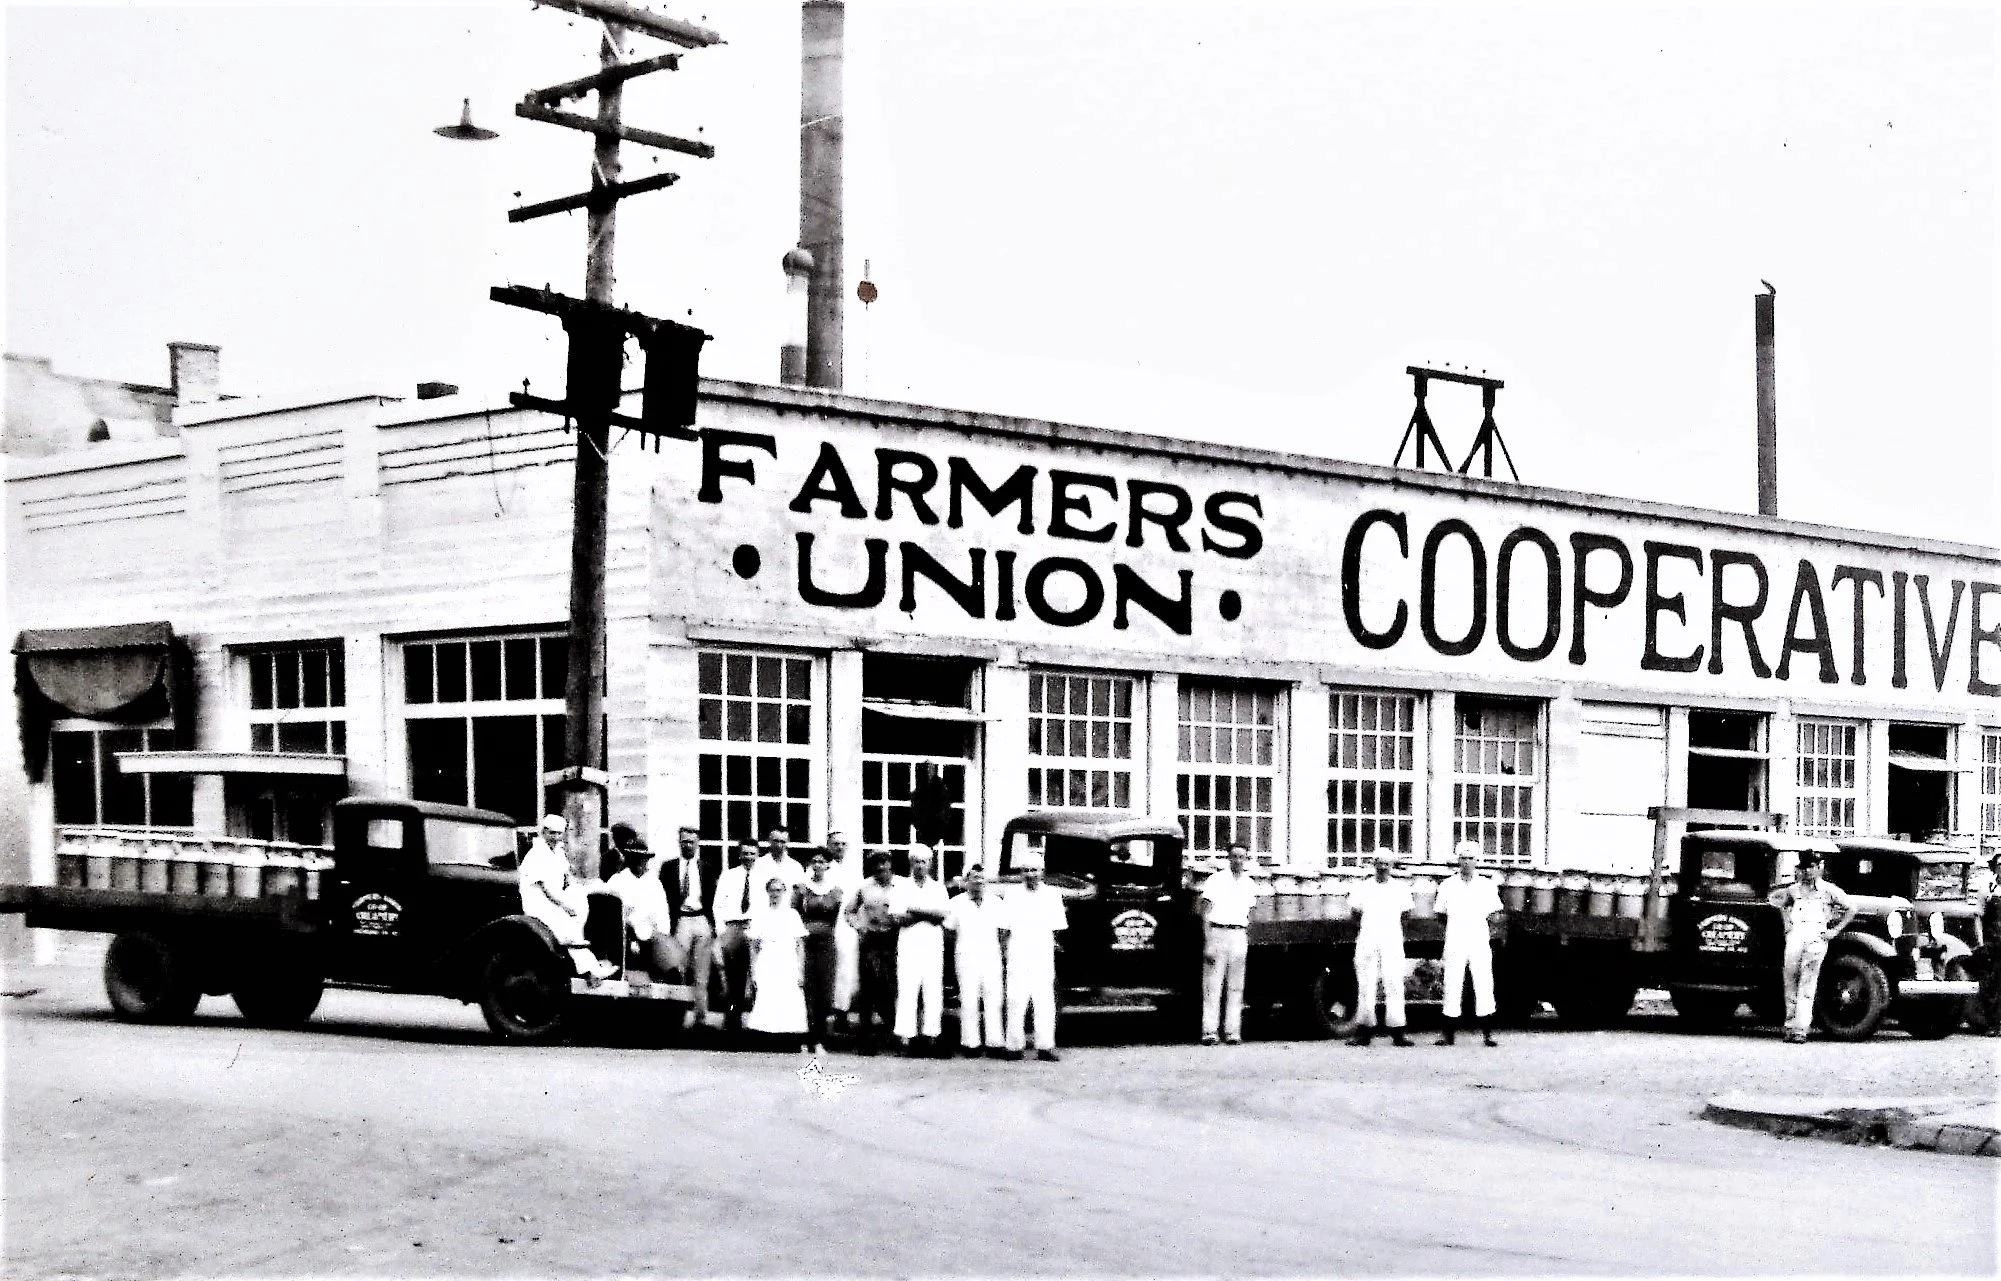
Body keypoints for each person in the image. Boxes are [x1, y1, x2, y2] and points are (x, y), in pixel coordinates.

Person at [1766, 848, 1857, 1044]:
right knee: (1790, 978)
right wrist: (1787, 924)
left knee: (1808, 982)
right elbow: (1782, 903)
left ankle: (1801, 1028)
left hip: (1816, 935)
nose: (1807, 872)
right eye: (1803, 868)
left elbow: (1851, 908)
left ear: (1819, 868)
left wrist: (1835, 930)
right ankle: (1790, 1025)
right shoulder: (1794, 890)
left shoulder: (1828, 890)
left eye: (1811, 868)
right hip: (1796, 934)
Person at [517, 813, 615, 980]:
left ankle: (592, 965)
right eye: (551, 833)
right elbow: (545, 889)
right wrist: (564, 905)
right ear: (543, 832)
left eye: (559, 833)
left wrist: (580, 892)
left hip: (555, 900)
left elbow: (567, 877)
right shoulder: (536, 854)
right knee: (565, 926)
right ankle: (588, 971)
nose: (555, 837)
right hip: (538, 902)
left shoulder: (558, 853)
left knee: (579, 909)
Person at [1433, 840, 1504, 1046]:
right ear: (1458, 861)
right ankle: (1448, 1034)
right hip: (1455, 937)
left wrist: (1478, 926)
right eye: (1463, 858)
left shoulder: (1486, 885)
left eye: (1470, 858)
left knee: (1483, 982)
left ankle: (1488, 1034)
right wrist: (1455, 926)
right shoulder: (1447, 885)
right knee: (1452, 983)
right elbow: (1441, 914)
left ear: (1477, 861)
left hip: (1478, 937)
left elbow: (1494, 913)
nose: (1466, 862)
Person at [1002, 846, 1067, 1061]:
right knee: (1015, 999)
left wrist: (1051, 947)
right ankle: (1013, 1045)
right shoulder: (1011, 895)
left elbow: (1058, 927)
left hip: (1041, 953)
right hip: (1018, 952)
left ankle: (1045, 1046)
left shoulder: (1052, 894)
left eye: (1035, 870)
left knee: (1044, 1000)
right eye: (1027, 870)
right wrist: (1004, 951)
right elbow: (1004, 927)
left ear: (1042, 872)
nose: (1031, 874)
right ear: (1021, 873)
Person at [1347, 855, 1414, 1047]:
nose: (1383, 867)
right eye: (1380, 863)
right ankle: (1364, 1031)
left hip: (1391, 939)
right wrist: (1367, 930)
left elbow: (1406, 915)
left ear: (1392, 866)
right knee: (1366, 985)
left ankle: (1398, 1031)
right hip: (1368, 938)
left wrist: (1394, 933)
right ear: (1374, 865)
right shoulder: (1363, 887)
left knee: (1394, 983)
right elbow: (1355, 914)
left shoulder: (1400, 889)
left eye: (1386, 864)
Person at [892, 844, 951, 1055]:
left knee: (933, 991)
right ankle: (905, 1038)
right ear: (910, 863)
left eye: (924, 861)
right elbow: (899, 918)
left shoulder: (938, 888)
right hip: (909, 945)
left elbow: (942, 916)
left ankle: (931, 1036)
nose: (920, 865)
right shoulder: (901, 887)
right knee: (907, 989)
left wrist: (915, 910)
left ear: (930, 864)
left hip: (932, 946)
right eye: (916, 861)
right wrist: (929, 914)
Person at [1198, 843, 1258, 1046]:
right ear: (1228, 858)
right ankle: (1210, 1031)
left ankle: (1232, 1032)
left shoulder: (1250, 884)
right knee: (1213, 986)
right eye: (1234, 856)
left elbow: (1250, 912)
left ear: (1246, 860)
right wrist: (1208, 942)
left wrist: (1244, 935)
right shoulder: (1215, 880)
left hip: (1238, 934)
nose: (1238, 861)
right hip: (1217, 932)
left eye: (1242, 857)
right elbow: (1205, 912)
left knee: (1236, 987)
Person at [844, 850, 902, 1054]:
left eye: (884, 864)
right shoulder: (864, 887)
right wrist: (859, 926)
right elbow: (848, 911)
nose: (881, 869)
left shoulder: (902, 885)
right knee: (867, 989)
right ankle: (866, 1040)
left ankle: (893, 1036)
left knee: (890, 988)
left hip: (894, 940)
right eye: (876, 865)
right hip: (870, 940)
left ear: (890, 865)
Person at [945, 863, 1007, 1057]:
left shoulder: (996, 902)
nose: (978, 882)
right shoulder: (956, 903)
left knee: (993, 999)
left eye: (981, 879)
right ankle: (971, 1044)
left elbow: (1004, 930)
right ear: (966, 881)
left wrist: (1000, 951)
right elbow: (949, 930)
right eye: (974, 878)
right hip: (966, 955)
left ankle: (994, 1042)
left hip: (991, 954)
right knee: (969, 999)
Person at [745, 875, 809, 1050]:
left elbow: (799, 945)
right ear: (767, 892)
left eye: (779, 890)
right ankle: (767, 1040)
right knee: (768, 998)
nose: (775, 894)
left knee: (788, 1000)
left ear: (784, 892)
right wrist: (753, 971)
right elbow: (753, 945)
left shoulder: (792, 914)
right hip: (767, 959)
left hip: (788, 960)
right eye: (772, 890)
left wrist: (800, 971)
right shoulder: (760, 914)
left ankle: (789, 1041)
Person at [603, 828, 674, 981]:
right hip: (624, 936)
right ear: (629, 859)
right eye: (635, 858)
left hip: (650, 937)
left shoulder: (654, 883)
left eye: (643, 858)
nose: (640, 863)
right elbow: (610, 912)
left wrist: (659, 937)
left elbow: (662, 915)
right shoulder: (617, 880)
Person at [794, 848, 846, 1054]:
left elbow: (834, 920)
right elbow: (795, 915)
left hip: (826, 945)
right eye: (814, 861)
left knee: (825, 992)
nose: (818, 865)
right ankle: (805, 1039)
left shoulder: (835, 891)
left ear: (827, 865)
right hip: (805, 945)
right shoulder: (801, 889)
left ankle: (820, 1040)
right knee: (808, 992)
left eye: (822, 862)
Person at [664, 825, 715, 1030]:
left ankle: (700, 1019)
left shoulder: (707, 867)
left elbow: (713, 898)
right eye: (684, 841)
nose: (688, 845)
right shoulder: (669, 868)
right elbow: (665, 899)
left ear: (697, 844)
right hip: (681, 921)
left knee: (701, 973)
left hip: (701, 919)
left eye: (691, 842)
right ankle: (677, 1018)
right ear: (679, 842)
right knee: (679, 970)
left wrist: (712, 925)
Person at [714, 839, 763, 1031]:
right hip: (733, 928)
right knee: (734, 976)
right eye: (745, 853)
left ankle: (759, 1023)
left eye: (752, 853)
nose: (749, 857)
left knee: (757, 975)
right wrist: (722, 932)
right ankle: (733, 1021)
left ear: (757, 855)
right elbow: (717, 905)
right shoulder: (729, 876)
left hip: (755, 928)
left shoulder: (764, 877)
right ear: (739, 854)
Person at [825, 830, 862, 1029]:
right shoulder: (822, 868)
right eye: (835, 844)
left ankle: (842, 1013)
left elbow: (859, 900)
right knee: (827, 971)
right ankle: (823, 1014)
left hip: (847, 927)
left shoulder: (853, 871)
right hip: (827, 926)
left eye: (842, 844)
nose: (839, 848)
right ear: (829, 845)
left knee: (846, 971)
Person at [751, 828, 804, 905]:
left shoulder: (795, 866)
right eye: (776, 841)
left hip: (787, 910)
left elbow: (799, 893)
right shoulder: (758, 864)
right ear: (769, 840)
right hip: (764, 910)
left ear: (787, 842)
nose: (779, 845)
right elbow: (754, 891)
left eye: (783, 842)